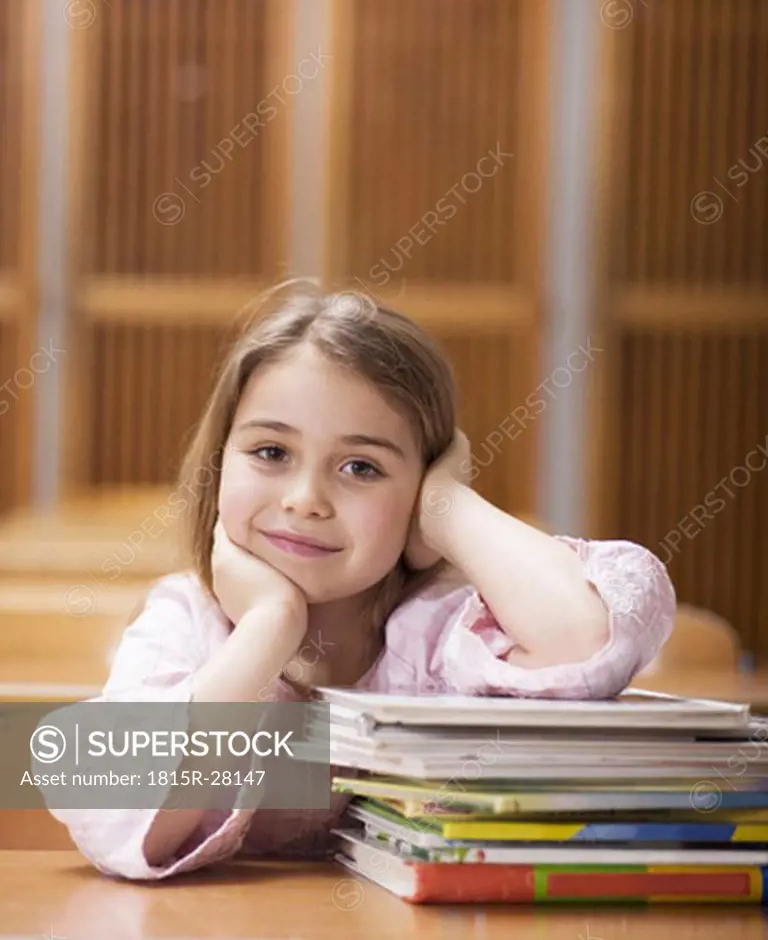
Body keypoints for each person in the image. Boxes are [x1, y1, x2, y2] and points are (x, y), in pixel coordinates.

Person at [48, 280, 676, 879]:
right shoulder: (184, 622)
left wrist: (448, 507)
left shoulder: (440, 632)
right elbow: (130, 824)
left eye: (361, 467)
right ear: (219, 463)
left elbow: (584, 645)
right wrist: (270, 625)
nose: (305, 499)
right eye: (271, 452)